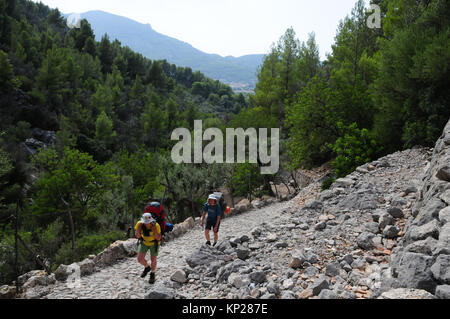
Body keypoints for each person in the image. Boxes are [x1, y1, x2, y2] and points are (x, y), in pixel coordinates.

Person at [135, 213, 162, 284]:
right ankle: (147, 267)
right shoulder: (139, 224)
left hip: (154, 243)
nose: (147, 224)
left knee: (153, 259)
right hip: (144, 242)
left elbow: (159, 238)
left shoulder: (156, 225)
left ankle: (152, 273)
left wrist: (154, 231)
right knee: (140, 259)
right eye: (145, 222)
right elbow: (138, 236)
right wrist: (138, 229)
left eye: (148, 222)